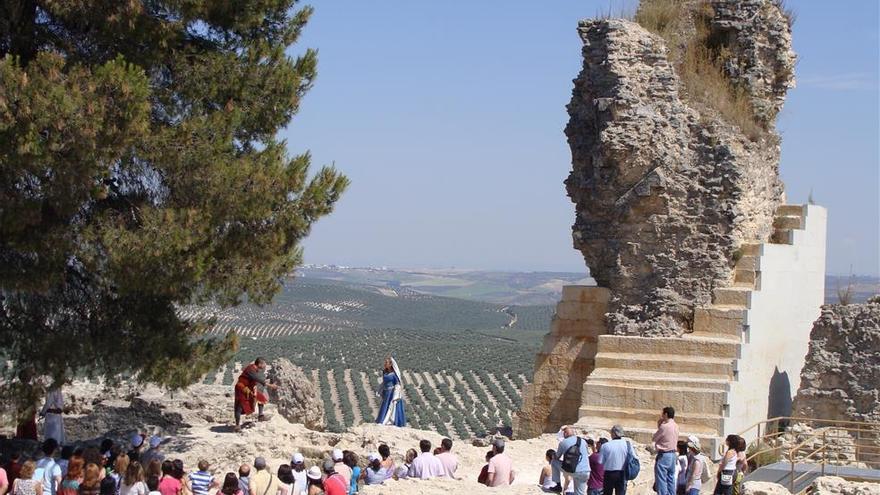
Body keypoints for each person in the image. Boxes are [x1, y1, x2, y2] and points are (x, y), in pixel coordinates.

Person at [234, 358, 278, 432]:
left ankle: (260, 416)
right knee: (240, 405)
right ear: (260, 364)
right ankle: (237, 426)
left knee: (260, 398)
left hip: (248, 388)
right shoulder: (251, 369)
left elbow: (255, 380)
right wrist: (270, 385)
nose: (265, 365)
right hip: (241, 388)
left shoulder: (254, 369)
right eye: (264, 364)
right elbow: (257, 379)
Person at [653, 407, 679, 495]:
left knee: (661, 480)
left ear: (666, 414)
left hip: (664, 455)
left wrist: (659, 425)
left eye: (662, 414)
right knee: (671, 479)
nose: (661, 415)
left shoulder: (664, 426)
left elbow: (655, 438)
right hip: (673, 455)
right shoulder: (676, 425)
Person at [556, 426, 590, 495]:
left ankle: (557, 484)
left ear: (565, 434)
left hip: (572, 470)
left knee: (554, 462)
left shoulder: (563, 442)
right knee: (580, 493)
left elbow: (557, 457)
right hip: (585, 471)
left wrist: (553, 455)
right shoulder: (583, 441)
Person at [598, 425, 630, 495]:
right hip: (622, 473)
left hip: (609, 473)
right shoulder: (627, 444)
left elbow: (600, 461)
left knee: (607, 493)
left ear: (613, 433)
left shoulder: (605, 445)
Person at [375, 357, 405, 427]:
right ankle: (382, 419)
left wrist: (396, 394)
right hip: (386, 392)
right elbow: (384, 382)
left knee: (390, 406)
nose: (385, 364)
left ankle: (389, 420)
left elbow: (397, 383)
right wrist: (380, 389)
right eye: (385, 362)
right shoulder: (384, 372)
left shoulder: (394, 374)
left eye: (386, 362)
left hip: (391, 392)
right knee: (384, 406)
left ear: (390, 364)